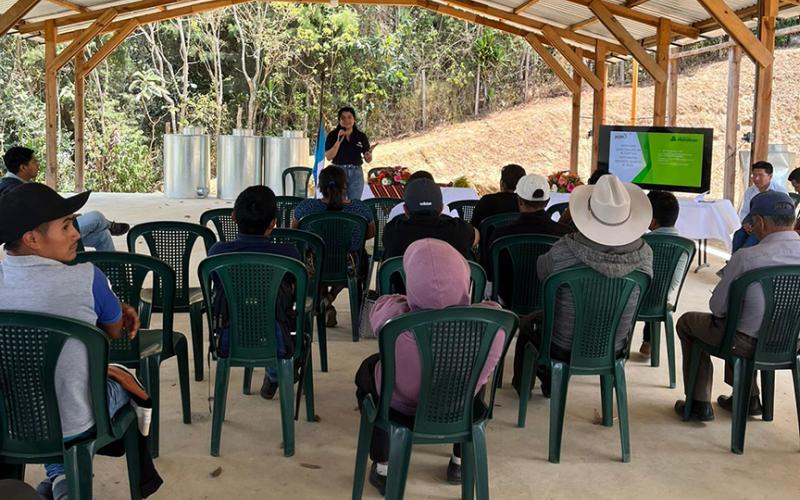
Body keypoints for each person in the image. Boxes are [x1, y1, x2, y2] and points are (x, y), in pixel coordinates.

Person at [0, 183, 162, 500]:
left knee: (38, 385)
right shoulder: (88, 277)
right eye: (66, 226)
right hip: (75, 418)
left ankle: (60, 479)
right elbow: (114, 333)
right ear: (32, 239)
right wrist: (116, 312)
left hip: (10, 421)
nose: (76, 233)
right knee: (127, 388)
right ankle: (70, 481)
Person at [355, 238, 507, 494]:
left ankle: (382, 465)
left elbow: (379, 309)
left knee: (369, 371)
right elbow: (493, 306)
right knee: (474, 379)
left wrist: (408, 301)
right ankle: (459, 461)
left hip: (401, 409)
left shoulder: (396, 323)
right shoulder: (493, 326)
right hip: (460, 407)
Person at [511, 175, 653, 397]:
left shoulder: (564, 251)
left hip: (562, 344)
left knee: (529, 323)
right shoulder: (645, 255)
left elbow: (542, 272)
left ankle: (527, 387)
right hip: (614, 345)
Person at [674, 191, 800, 421]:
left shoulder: (747, 257)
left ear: (759, 222)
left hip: (744, 344)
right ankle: (748, 398)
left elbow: (718, 307)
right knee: (743, 319)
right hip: (792, 342)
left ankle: (698, 403)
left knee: (691, 323)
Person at [207, 185, 302, 399]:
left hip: (228, 339)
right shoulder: (289, 255)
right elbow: (298, 292)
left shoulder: (217, 253)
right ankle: (276, 374)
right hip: (278, 339)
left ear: (233, 218)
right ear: (273, 223)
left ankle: (274, 376)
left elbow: (215, 286)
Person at [0, 146, 130, 252]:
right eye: (34, 161)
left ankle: (115, 279)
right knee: (96, 217)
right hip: (43, 238)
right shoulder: (15, 190)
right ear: (23, 167)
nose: (38, 165)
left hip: (49, 233)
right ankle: (110, 226)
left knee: (102, 236)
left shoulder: (13, 185)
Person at [292, 165, 375, 327]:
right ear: (345, 186)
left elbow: (295, 234)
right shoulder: (360, 208)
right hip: (349, 265)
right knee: (355, 257)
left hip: (315, 266)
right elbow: (370, 234)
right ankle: (328, 300)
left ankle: (324, 302)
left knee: (313, 257)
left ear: (320, 187)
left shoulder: (305, 208)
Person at [485, 173, 571, 305]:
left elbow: (490, 275)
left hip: (507, 304)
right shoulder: (565, 235)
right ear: (547, 202)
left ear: (519, 201)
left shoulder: (500, 235)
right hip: (550, 304)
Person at [638, 190, 687, 357]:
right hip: (663, 298)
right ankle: (649, 341)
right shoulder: (685, 246)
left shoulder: (641, 242)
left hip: (635, 298)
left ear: (652, 221)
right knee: (656, 288)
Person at [382, 178, 478, 261]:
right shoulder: (460, 230)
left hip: (405, 283)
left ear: (405, 210)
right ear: (441, 209)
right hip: (451, 283)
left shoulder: (392, 231)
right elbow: (476, 237)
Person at [732, 161, 788, 251]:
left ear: (770, 176)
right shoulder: (750, 191)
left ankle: (744, 261)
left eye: (761, 175)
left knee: (750, 242)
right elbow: (745, 211)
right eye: (754, 175)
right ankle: (734, 260)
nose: (756, 178)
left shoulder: (780, 192)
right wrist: (746, 224)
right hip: (753, 223)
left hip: (771, 227)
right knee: (738, 235)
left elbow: (783, 216)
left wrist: (763, 227)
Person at [324, 106, 375, 201]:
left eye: (349, 117)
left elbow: (368, 160)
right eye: (343, 118)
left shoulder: (361, 136)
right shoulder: (332, 135)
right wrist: (338, 141)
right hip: (338, 172)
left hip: (356, 173)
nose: (346, 120)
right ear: (339, 120)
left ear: (354, 120)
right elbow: (329, 157)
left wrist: (369, 155)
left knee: (355, 202)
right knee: (338, 202)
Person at [470, 164, 526, 229]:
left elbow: (473, 228)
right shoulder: (526, 205)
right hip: (519, 239)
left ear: (502, 184)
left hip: (489, 239)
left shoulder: (486, 201)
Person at [386, 170, 457, 221]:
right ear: (441, 209)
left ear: (406, 210)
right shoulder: (447, 211)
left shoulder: (397, 209)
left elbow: (387, 237)